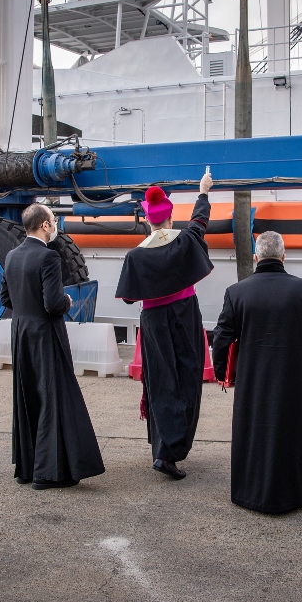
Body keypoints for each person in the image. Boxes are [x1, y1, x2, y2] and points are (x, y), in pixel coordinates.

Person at [212, 231, 302, 514]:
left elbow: (221, 338)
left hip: (253, 377)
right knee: (295, 432)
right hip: (295, 377)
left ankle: (252, 492)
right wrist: (300, 352)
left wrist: (223, 373)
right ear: (283, 256)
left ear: (256, 258)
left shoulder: (236, 292)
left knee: (256, 431)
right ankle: (299, 492)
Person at [115, 171, 214, 480]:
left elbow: (130, 299)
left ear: (147, 220)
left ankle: (161, 448)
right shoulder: (184, 241)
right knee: (187, 378)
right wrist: (202, 193)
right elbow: (199, 224)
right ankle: (170, 451)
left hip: (154, 321)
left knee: (160, 381)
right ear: (170, 218)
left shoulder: (136, 256)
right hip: (185, 315)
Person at [0, 204, 105, 490]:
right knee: (53, 396)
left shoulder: (11, 256)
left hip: (21, 332)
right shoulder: (48, 257)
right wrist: (67, 302)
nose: (54, 223)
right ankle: (48, 473)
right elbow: (53, 304)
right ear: (45, 225)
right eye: (53, 219)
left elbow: (5, 298)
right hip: (45, 333)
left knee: (28, 396)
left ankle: (27, 467)